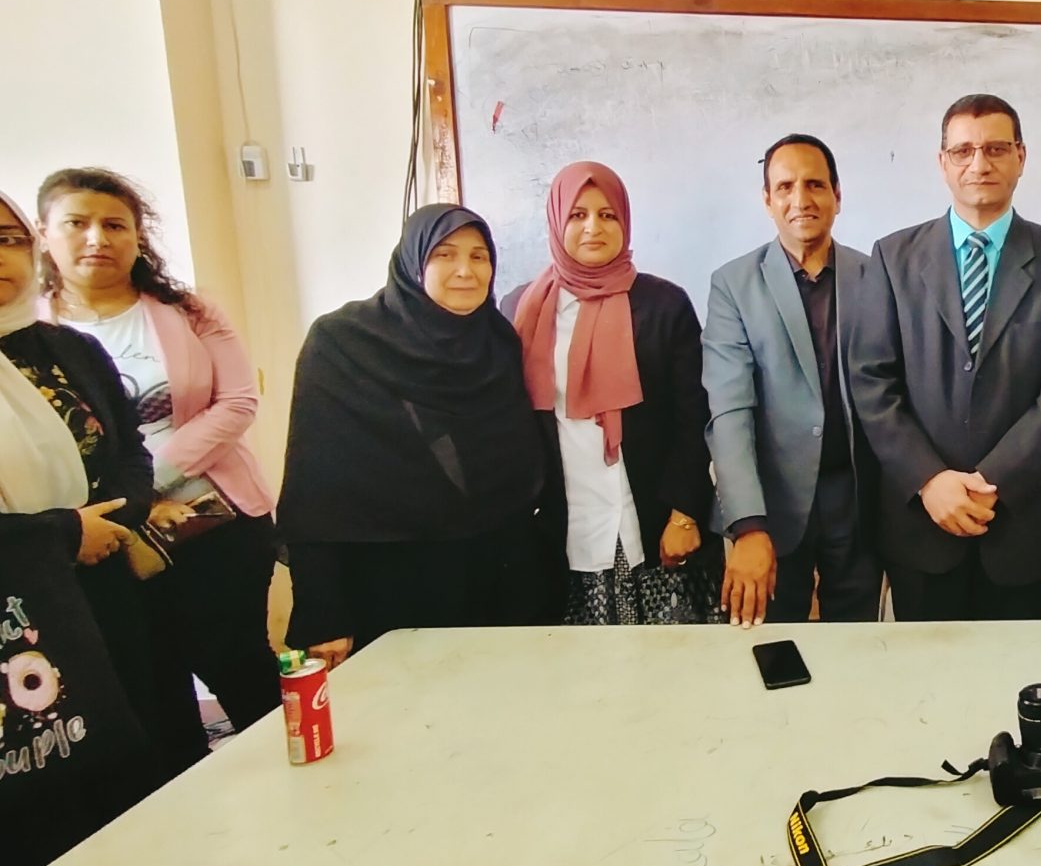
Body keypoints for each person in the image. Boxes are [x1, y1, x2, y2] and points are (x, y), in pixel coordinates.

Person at [37, 168, 282, 734]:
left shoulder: (188, 311)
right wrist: (124, 502)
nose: (97, 238)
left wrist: (141, 482)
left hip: (214, 519)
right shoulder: (29, 335)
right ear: (44, 235)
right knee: (148, 682)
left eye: (114, 225)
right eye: (77, 223)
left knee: (241, 665)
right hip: (101, 537)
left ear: (137, 236)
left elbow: (238, 401)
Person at [849, 93, 1041, 621]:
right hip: (922, 523)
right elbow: (872, 381)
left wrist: (991, 483)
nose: (979, 164)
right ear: (943, 163)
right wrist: (930, 480)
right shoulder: (893, 257)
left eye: (996, 149)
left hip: (1019, 528)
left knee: (1015, 670)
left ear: (1020, 157)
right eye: (963, 151)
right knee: (925, 671)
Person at [280, 204, 546, 663]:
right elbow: (313, 490)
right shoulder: (343, 343)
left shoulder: (497, 342)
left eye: (479, 256)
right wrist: (324, 612)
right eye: (445, 254)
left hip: (495, 581)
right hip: (390, 587)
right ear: (413, 260)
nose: (465, 270)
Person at [0, 189, 204, 779]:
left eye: (7, 239)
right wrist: (68, 533)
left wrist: (113, 519)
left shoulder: (69, 349)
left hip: (103, 582)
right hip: (18, 602)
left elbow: (127, 447)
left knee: (136, 740)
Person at [508, 163, 720, 625]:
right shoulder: (522, 308)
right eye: (578, 214)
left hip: (651, 524)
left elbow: (694, 418)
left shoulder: (663, 304)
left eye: (607, 215)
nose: (593, 227)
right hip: (561, 528)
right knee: (579, 666)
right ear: (556, 220)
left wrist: (684, 513)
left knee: (668, 661)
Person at [703, 135, 880, 626]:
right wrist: (748, 525)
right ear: (767, 200)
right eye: (785, 187)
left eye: (815, 185)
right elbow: (729, 411)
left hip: (859, 503)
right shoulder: (733, 285)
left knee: (859, 646)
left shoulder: (876, 276)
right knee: (774, 649)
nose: (801, 199)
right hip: (772, 505)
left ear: (837, 195)